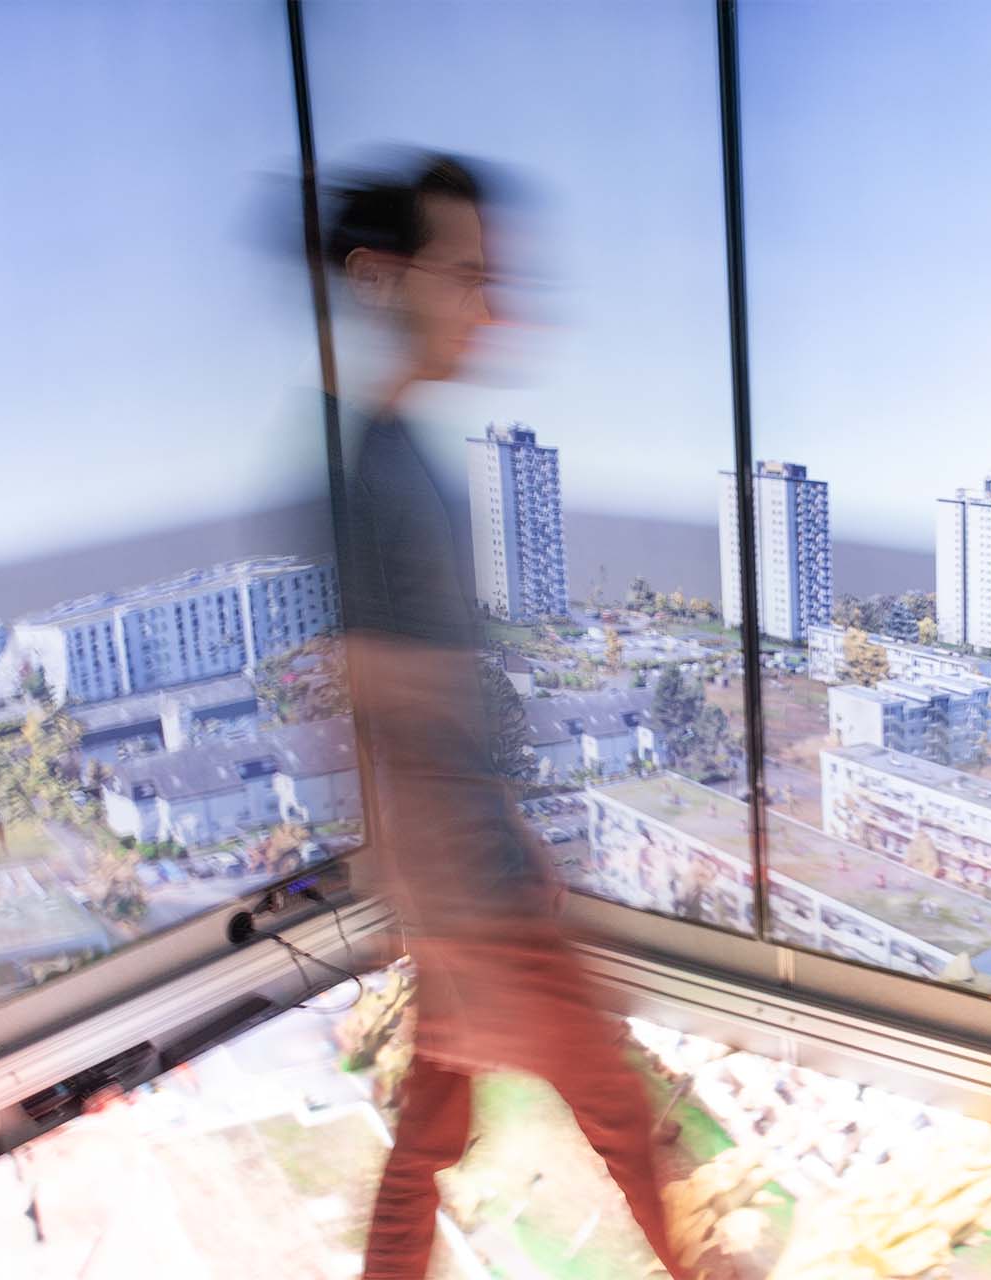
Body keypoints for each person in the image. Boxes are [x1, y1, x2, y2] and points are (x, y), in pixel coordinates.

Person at [327, 153, 687, 1280]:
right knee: (624, 1113)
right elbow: (382, 703)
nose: (493, 303)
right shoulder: (382, 478)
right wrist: (456, 920)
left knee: (436, 1134)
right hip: (478, 901)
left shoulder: (397, 461)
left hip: (476, 882)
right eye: (469, 272)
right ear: (384, 279)